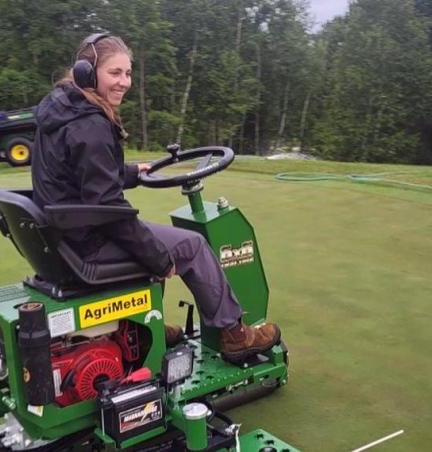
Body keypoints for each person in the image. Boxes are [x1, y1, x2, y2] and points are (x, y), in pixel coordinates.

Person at [31, 33, 280, 364]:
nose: (124, 82)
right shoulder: (89, 125)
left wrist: (132, 172)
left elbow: (82, 174)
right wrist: (158, 259)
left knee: (150, 240)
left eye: (128, 73)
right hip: (88, 240)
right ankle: (235, 336)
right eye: (115, 73)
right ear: (87, 73)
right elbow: (109, 208)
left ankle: (146, 330)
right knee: (190, 246)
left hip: (67, 236)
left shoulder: (62, 109)